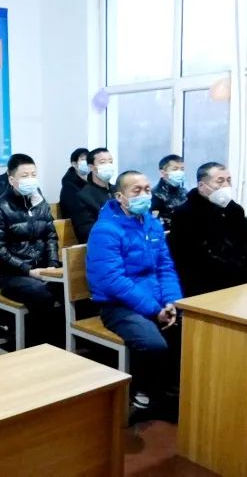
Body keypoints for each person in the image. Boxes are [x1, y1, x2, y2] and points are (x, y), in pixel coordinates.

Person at [86, 171, 182, 417]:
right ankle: (143, 392)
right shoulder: (106, 230)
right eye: (136, 191)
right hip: (117, 304)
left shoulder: (152, 224)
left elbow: (165, 267)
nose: (144, 195)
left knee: (190, 328)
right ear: (120, 196)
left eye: (147, 190)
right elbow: (112, 280)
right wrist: (154, 309)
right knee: (153, 343)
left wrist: (171, 301)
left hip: (156, 300)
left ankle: (171, 388)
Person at [0, 154, 61, 346]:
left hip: (43, 268)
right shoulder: (0, 207)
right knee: (42, 295)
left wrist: (52, 264)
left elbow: (51, 236)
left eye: (33, 174)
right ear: (12, 180)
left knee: (67, 287)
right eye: (25, 175)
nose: (31, 179)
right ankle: (38, 346)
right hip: (13, 274)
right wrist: (28, 270)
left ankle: (62, 344)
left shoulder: (39, 202)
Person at [168, 162, 247, 297]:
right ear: (202, 186)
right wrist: (243, 278)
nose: (226, 186)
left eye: (229, 180)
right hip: (206, 283)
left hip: (242, 278)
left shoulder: (234, 210)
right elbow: (192, 260)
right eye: (220, 181)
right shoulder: (185, 214)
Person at [72, 148, 118, 243]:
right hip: (104, 242)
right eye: (103, 162)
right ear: (91, 167)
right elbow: (86, 231)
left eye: (110, 162)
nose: (108, 166)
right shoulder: (83, 196)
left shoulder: (118, 190)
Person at [150, 154, 188, 230]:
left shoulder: (185, 192)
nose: (180, 172)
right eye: (175, 169)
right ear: (162, 172)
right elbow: (153, 222)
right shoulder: (155, 194)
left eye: (182, 169)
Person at [59, 147, 90, 220]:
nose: (87, 162)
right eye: (83, 160)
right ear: (74, 164)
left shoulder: (93, 181)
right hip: (77, 222)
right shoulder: (69, 186)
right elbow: (75, 211)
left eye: (88, 160)